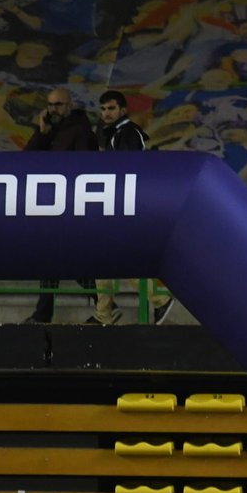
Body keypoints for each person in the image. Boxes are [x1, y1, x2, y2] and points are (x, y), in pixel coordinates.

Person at [92, 90, 173, 326]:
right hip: (112, 205)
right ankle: (104, 313)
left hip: (124, 207)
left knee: (118, 259)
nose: (106, 113)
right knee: (99, 259)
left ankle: (158, 300)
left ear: (123, 110)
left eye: (111, 108)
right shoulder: (111, 132)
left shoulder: (128, 133)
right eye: (103, 109)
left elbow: (130, 172)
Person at [21, 88, 99, 324]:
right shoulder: (52, 131)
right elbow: (28, 159)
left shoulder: (81, 130)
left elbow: (84, 168)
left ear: (69, 105)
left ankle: (104, 302)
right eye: (50, 104)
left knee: (63, 258)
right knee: (53, 258)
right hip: (53, 206)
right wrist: (41, 132)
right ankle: (46, 312)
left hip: (71, 207)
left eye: (58, 105)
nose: (53, 109)